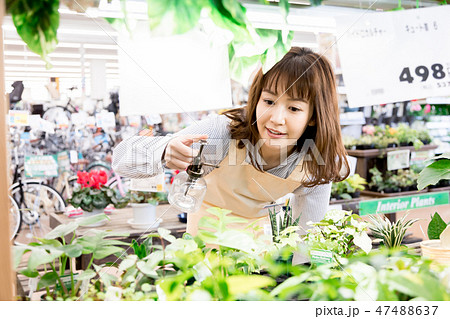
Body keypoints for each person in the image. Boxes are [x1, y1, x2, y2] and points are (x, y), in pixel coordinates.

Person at [113, 47, 349, 262]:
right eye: (268, 101)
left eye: (294, 108)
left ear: (314, 116)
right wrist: (163, 150)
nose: (276, 119)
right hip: (203, 248)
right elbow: (121, 159)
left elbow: (306, 237)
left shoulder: (316, 161)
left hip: (258, 252)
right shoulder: (222, 134)